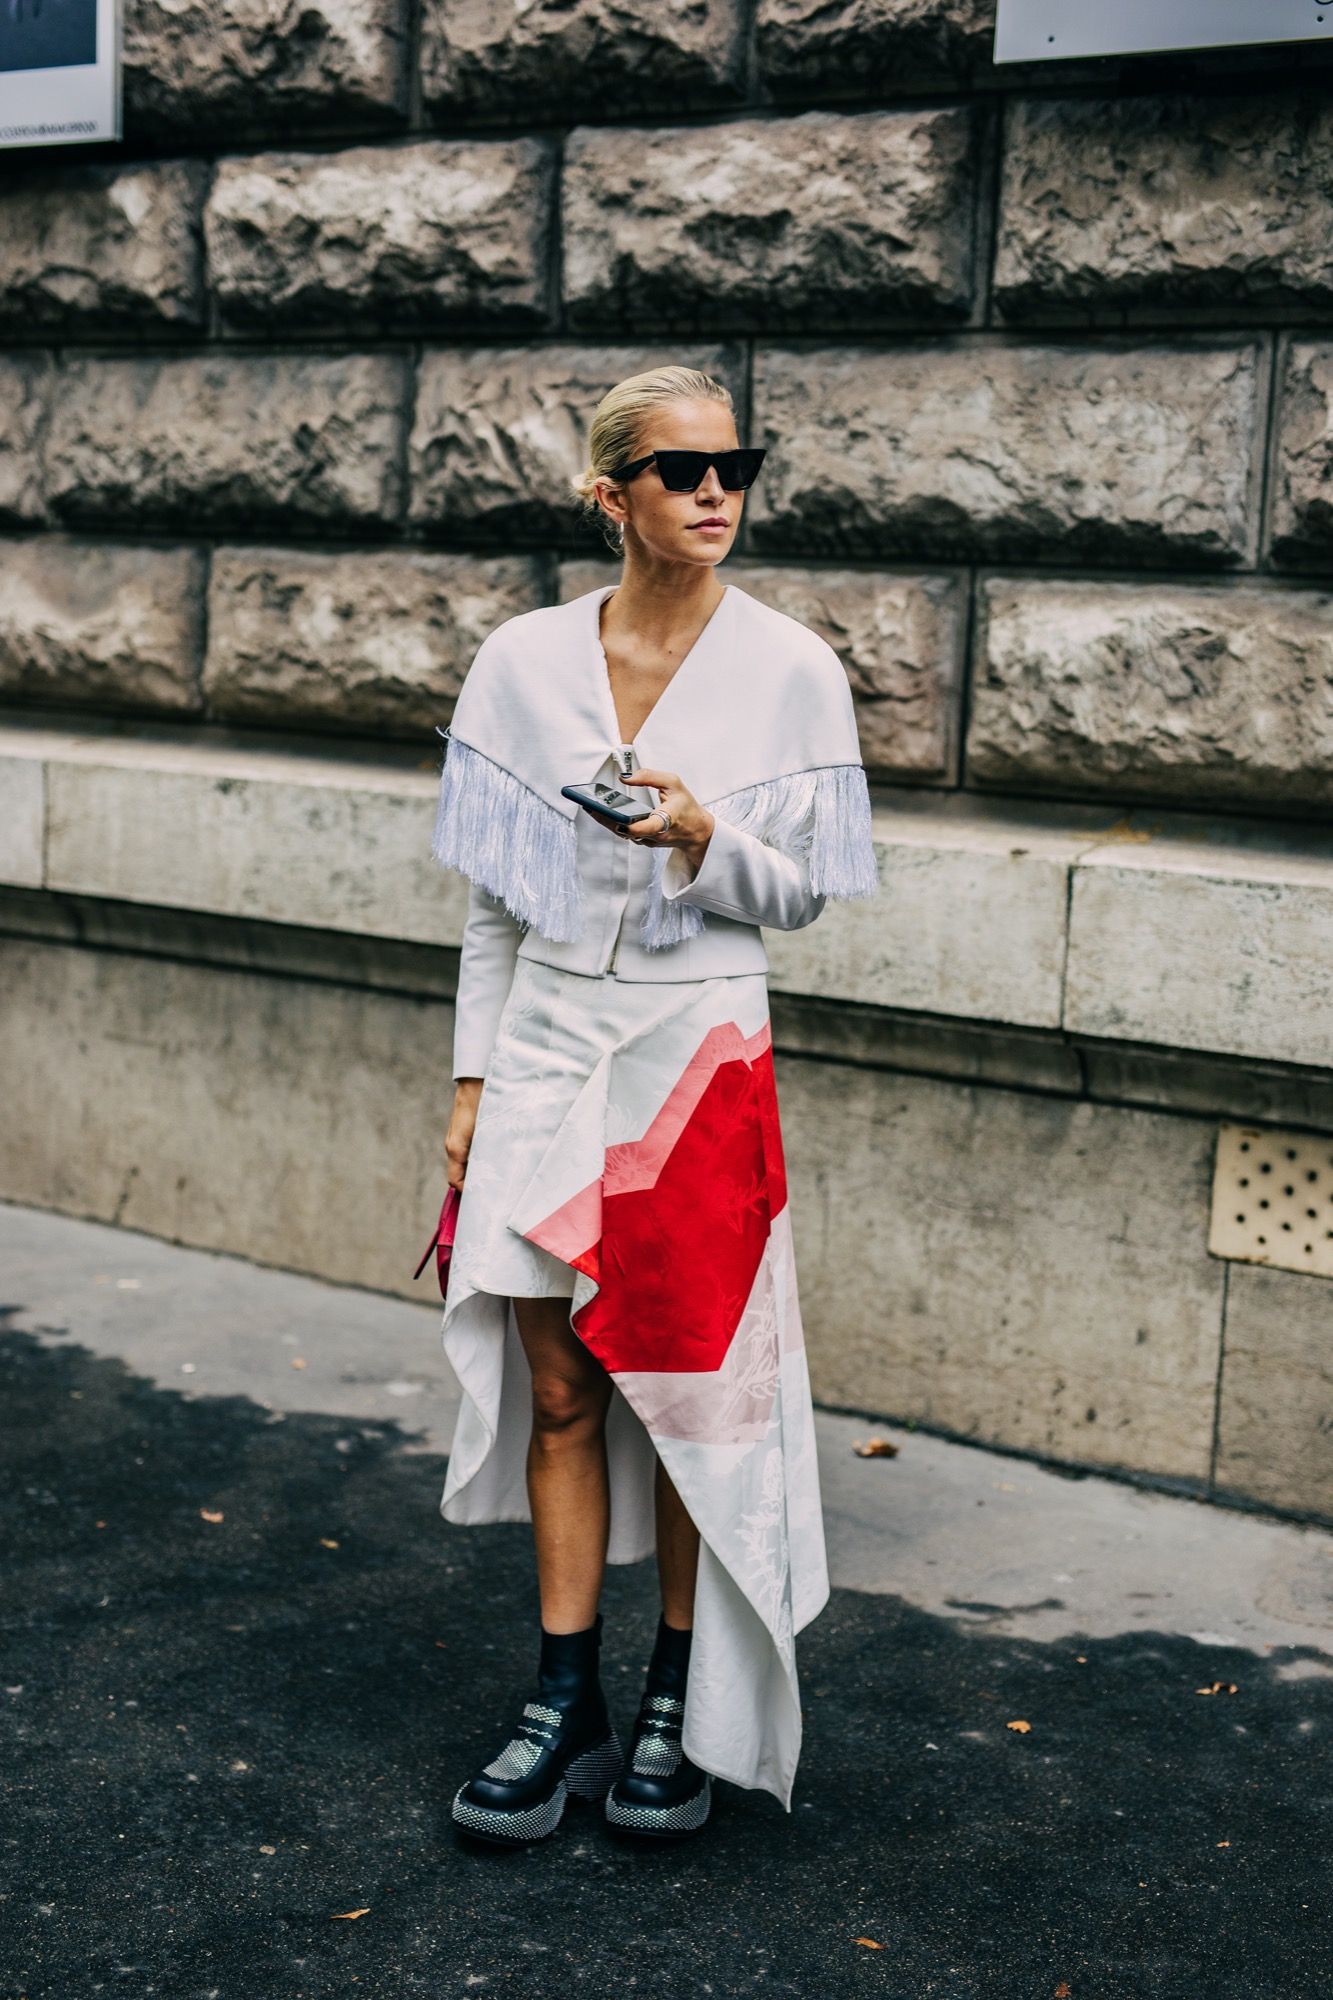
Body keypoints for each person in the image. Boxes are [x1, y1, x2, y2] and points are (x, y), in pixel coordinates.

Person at [430, 364, 879, 1846]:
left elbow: (803, 894)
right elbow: (493, 905)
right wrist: (471, 1081)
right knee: (562, 1386)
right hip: (549, 1047)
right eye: (681, 471)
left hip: (697, 1057)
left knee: (682, 1394)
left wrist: (703, 834)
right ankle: (565, 1697)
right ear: (608, 494)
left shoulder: (789, 667)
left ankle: (677, 1701)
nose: (714, 493)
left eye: (733, 468)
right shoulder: (522, 662)